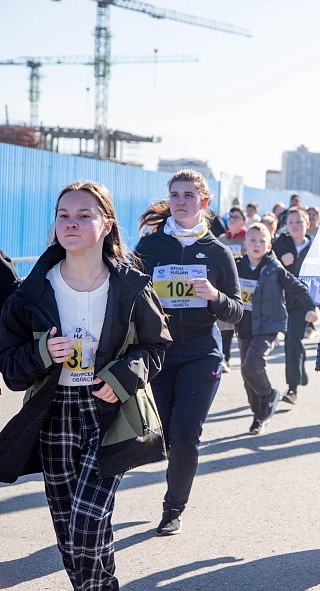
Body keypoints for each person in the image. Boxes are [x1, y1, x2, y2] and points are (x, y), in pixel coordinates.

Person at [0, 181, 171, 590]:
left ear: (107, 225)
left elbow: (155, 346)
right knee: (68, 529)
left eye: (83, 215)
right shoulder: (31, 292)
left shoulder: (131, 286)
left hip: (109, 412)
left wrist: (122, 377)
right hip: (53, 414)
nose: (71, 223)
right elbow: (10, 367)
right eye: (63, 215)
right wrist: (43, 352)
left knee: (87, 524)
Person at [136, 169, 243, 536]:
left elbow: (236, 310)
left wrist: (214, 295)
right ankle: (175, 483)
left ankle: (173, 508)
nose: (180, 202)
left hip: (201, 353)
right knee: (166, 434)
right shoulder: (150, 247)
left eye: (188, 195)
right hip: (159, 354)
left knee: (185, 434)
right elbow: (126, 294)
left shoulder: (217, 252)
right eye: (175, 195)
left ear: (204, 202)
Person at [237, 223, 317, 434]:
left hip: (268, 325)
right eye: (252, 240)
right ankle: (259, 414)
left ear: (269, 246)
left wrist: (311, 307)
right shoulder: (236, 267)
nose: (257, 244)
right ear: (245, 244)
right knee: (247, 374)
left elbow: (298, 287)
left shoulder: (275, 268)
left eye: (262, 241)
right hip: (245, 325)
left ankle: (269, 396)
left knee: (251, 366)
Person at [272, 206, 314, 405]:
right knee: (293, 340)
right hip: (282, 301)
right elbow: (265, 263)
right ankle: (300, 368)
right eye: (291, 222)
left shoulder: (315, 248)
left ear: (308, 224)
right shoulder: (279, 244)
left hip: (303, 303)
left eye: (299, 222)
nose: (295, 226)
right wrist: (280, 261)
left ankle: (292, 388)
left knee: (292, 341)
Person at [217, 206, 248, 373]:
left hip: (246, 286)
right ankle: (225, 357)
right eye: (230, 216)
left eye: (237, 217)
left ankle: (247, 359)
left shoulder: (248, 238)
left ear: (244, 221)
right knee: (226, 323)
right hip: (226, 285)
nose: (232, 219)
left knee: (243, 325)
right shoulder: (222, 239)